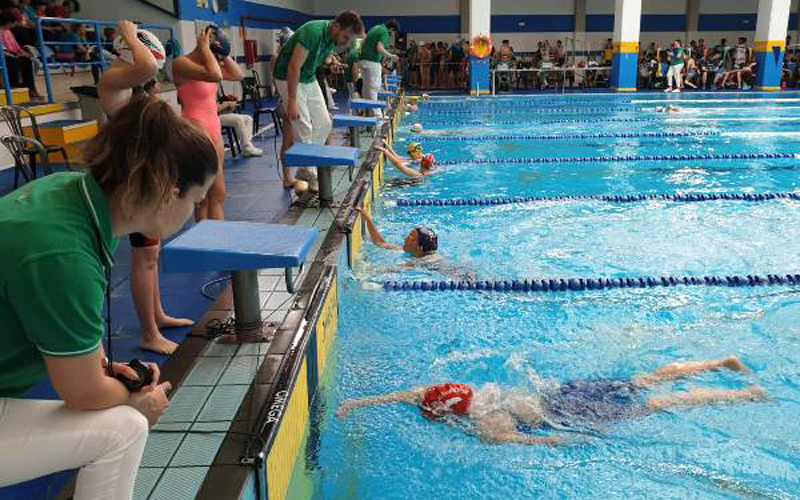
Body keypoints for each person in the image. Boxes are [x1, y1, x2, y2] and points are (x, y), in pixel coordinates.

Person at [0, 97, 218, 498]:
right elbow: (83, 394)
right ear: (169, 194)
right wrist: (138, 399)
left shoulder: (68, 194)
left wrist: (102, 366)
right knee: (124, 428)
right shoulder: (62, 253)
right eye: (197, 200)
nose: (196, 210)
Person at [337, 357, 767, 445]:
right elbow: (402, 394)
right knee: (646, 380)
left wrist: (575, 441)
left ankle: (746, 395)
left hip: (570, 414)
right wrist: (355, 405)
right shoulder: (467, 393)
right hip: (563, 392)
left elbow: (542, 443)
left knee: (657, 406)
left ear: (435, 412)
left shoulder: (490, 426)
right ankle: (722, 363)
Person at [99, 22, 188, 355]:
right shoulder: (112, 80)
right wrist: (131, 33)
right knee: (144, 257)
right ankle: (149, 333)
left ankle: (158, 315)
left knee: (151, 254)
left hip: (145, 176)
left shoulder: (130, 85)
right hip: (131, 182)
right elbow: (148, 66)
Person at [272, 11, 364, 190]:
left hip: (308, 77)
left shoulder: (332, 38)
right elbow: (293, 67)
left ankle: (305, 167)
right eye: (346, 36)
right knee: (303, 125)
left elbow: (316, 61)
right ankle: (308, 170)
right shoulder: (312, 31)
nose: (346, 41)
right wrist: (291, 100)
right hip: (288, 77)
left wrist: (331, 63)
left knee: (324, 122)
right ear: (336, 27)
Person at [173, 25, 244, 221]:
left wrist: (224, 51)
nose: (219, 61)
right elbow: (216, 75)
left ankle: (217, 243)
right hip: (196, 134)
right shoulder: (181, 64)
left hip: (214, 132)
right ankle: (205, 243)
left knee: (218, 194)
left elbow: (237, 74)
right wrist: (205, 47)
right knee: (202, 198)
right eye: (217, 55)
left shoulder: (211, 64)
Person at [0, 8, 41, 99]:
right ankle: (13, 86)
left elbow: (17, 48)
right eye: (14, 23)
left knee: (26, 60)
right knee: (11, 61)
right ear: (9, 22)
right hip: (3, 55)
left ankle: (30, 88)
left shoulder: (8, 32)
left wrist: (26, 55)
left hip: (11, 54)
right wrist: (12, 55)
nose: (15, 25)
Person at [359, 19, 400, 106]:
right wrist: (392, 56)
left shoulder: (376, 27)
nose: (392, 35)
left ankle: (367, 113)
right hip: (372, 62)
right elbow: (379, 48)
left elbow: (364, 41)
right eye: (393, 33)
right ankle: (377, 116)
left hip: (363, 60)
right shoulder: (384, 32)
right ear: (391, 29)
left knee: (366, 88)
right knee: (375, 88)